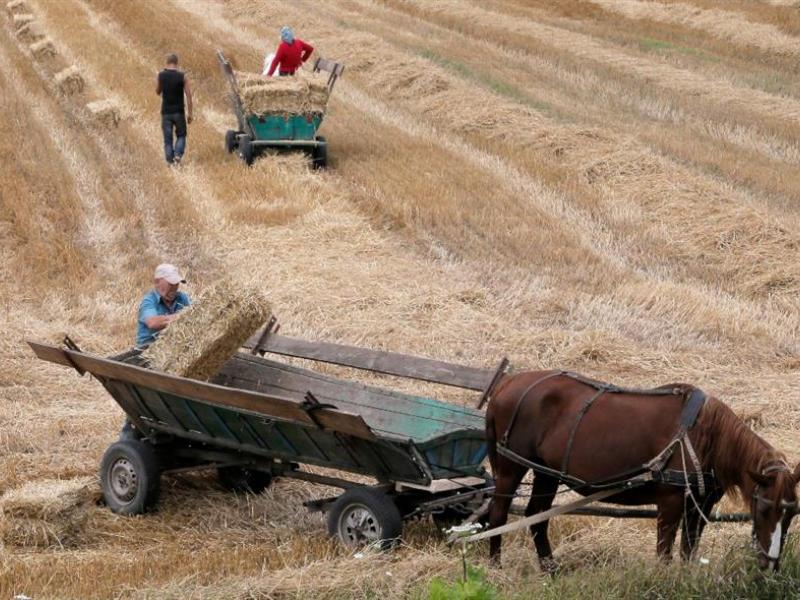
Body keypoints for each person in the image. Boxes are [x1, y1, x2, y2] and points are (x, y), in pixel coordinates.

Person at [135, 263, 192, 349]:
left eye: (176, 283)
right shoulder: (149, 301)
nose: (174, 288)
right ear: (157, 282)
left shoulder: (182, 298)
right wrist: (183, 316)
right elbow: (152, 322)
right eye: (170, 283)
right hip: (148, 352)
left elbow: (198, 310)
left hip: (173, 349)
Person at [156, 53, 193, 165]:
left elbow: (157, 91)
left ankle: (169, 159)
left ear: (167, 62)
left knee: (168, 139)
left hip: (166, 112)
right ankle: (177, 155)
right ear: (176, 63)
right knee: (181, 135)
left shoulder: (161, 75)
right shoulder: (183, 76)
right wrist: (190, 114)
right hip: (179, 112)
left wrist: (160, 81)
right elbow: (189, 95)